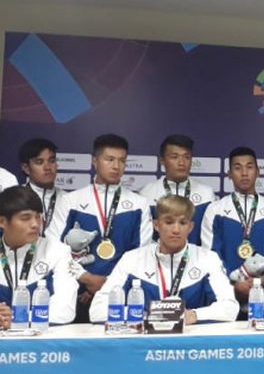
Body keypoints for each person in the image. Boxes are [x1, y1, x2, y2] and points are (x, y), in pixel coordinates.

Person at [46, 134, 152, 322]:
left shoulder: (139, 204)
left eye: (122, 161)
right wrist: (87, 278)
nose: (116, 166)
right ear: (95, 161)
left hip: (122, 292)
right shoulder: (71, 201)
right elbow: (54, 248)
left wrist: (108, 284)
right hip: (77, 291)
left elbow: (140, 253)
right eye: (109, 159)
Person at [90, 195, 238, 324]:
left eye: (182, 223)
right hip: (144, 344)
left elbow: (230, 308)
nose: (176, 230)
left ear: (191, 227)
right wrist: (143, 315)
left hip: (190, 344)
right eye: (168, 222)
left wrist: (194, 315)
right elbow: (97, 310)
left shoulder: (208, 259)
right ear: (156, 225)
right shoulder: (132, 259)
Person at [201, 147, 264, 316]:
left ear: (258, 171)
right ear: (228, 173)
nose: (244, 173)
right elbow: (210, 255)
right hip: (226, 296)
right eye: (237, 167)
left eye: (249, 167)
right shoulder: (215, 210)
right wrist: (233, 284)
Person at [0, 186, 79, 329]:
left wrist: (18, 318)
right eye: (25, 218)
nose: (35, 224)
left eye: (38, 216)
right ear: (2, 222)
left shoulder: (58, 251)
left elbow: (65, 309)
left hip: (43, 346)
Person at [140, 134, 216, 245]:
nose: (181, 163)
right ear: (162, 160)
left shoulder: (206, 194)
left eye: (186, 157)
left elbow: (209, 238)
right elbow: (145, 238)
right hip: (158, 259)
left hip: (196, 259)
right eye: (174, 157)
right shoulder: (147, 193)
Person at [18, 138, 67, 236]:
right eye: (39, 162)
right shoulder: (13, 198)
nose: (48, 167)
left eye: (52, 161)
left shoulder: (68, 200)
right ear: (26, 168)